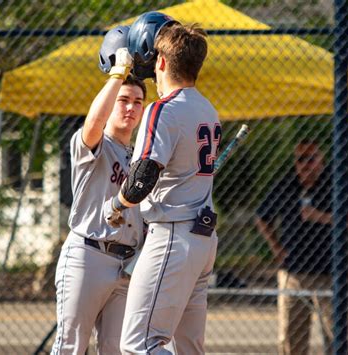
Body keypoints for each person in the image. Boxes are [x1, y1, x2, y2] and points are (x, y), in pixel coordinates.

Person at [104, 15, 221, 354]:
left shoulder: (162, 110)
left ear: (164, 61)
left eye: (155, 61)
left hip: (172, 235)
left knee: (139, 344)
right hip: (203, 241)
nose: (153, 68)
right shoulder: (209, 110)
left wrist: (116, 206)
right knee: (187, 347)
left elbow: (141, 180)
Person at [50, 37, 147, 354]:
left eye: (137, 101)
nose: (130, 107)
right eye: (123, 100)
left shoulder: (141, 158)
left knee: (116, 349)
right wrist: (117, 76)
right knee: (70, 347)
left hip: (125, 265)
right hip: (87, 256)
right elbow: (94, 122)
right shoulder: (93, 144)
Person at [255, 139, 348, 355]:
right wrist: (276, 247)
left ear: (321, 160)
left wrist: (321, 217)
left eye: (310, 158)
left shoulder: (336, 182)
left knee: (336, 334)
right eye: (300, 159)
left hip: (329, 270)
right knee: (290, 337)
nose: (305, 164)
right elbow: (261, 217)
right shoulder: (287, 183)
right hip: (294, 271)